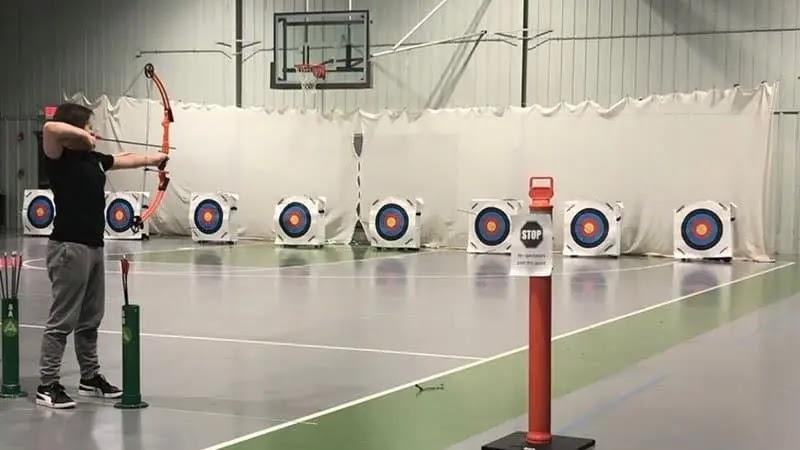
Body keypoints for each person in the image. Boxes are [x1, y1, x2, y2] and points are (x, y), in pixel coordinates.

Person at [37, 103, 168, 409]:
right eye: (89, 126)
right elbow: (50, 128)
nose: (93, 132)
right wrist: (84, 137)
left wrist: (155, 159)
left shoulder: (92, 159)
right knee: (62, 321)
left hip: (94, 247)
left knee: (90, 319)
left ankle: (89, 377)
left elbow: (125, 159)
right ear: (75, 128)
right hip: (69, 247)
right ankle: (47, 384)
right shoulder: (58, 156)